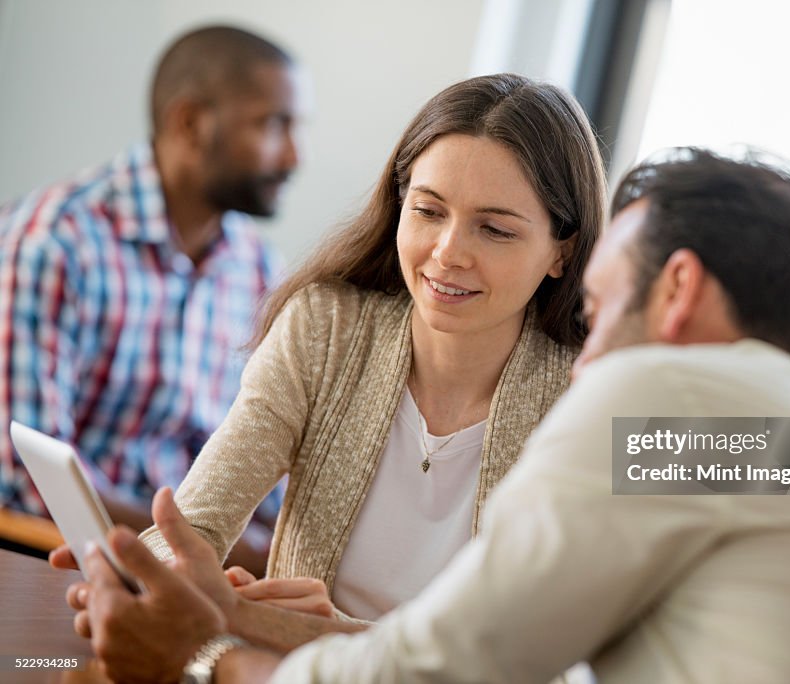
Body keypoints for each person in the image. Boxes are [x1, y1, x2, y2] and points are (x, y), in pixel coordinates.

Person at [72, 148, 790, 683]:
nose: (584, 357)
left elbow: (450, 668)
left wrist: (206, 657)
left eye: (599, 301)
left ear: (677, 289)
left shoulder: (662, 398)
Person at [82, 72, 603, 636]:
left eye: (495, 230)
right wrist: (147, 581)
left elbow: (534, 657)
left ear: (561, 251)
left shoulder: (595, 398)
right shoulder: (325, 327)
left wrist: (309, 630)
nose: (448, 253)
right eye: (428, 212)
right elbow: (191, 527)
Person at [0, 25, 305, 573]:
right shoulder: (55, 241)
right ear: (190, 122)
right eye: (271, 124)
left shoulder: (259, 267)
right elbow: (27, 471)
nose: (292, 156)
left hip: (199, 563)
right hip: (60, 559)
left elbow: (263, 456)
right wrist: (202, 544)